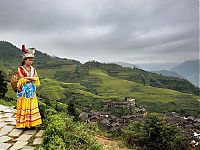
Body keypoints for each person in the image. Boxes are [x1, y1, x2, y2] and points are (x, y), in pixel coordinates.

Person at [16, 45, 42, 129]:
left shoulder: (33, 69)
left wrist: (28, 78)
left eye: (32, 60)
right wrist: (31, 78)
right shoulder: (20, 68)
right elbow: (21, 79)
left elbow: (36, 79)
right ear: (25, 60)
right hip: (24, 90)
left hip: (31, 90)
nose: (31, 61)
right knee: (24, 105)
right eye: (29, 60)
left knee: (32, 105)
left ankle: (32, 123)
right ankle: (24, 124)